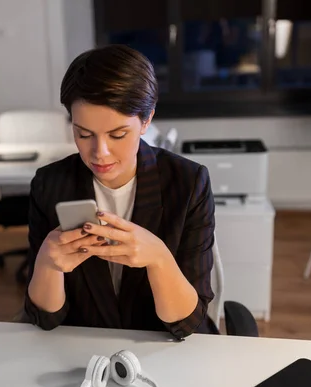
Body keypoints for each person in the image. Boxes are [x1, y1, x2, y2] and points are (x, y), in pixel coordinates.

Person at [23, 44, 217, 340]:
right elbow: (44, 320)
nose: (99, 152)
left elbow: (186, 323)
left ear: (146, 119)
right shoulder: (49, 185)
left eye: (117, 135)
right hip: (84, 354)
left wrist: (159, 259)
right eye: (83, 134)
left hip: (163, 349)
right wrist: (47, 265)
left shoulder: (188, 183)